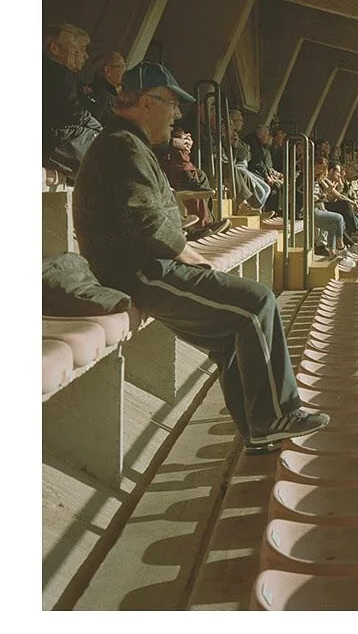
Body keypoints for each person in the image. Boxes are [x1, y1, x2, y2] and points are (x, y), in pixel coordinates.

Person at [71, 61, 329, 454]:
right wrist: (188, 251)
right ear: (145, 103)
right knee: (256, 302)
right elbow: (147, 224)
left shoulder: (128, 143)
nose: (177, 115)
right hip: (141, 272)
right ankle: (279, 414)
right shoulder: (121, 145)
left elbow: (150, 214)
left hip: (143, 267)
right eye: (171, 105)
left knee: (232, 336)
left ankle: (260, 430)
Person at [43, 22, 103, 175]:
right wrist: (100, 130)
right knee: (111, 151)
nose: (86, 55)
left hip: (51, 140)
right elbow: (73, 114)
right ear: (55, 48)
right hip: (52, 142)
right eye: (81, 48)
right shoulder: (59, 74)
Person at [83, 51, 125, 123]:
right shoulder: (101, 96)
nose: (124, 71)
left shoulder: (109, 93)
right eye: (122, 66)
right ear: (108, 70)